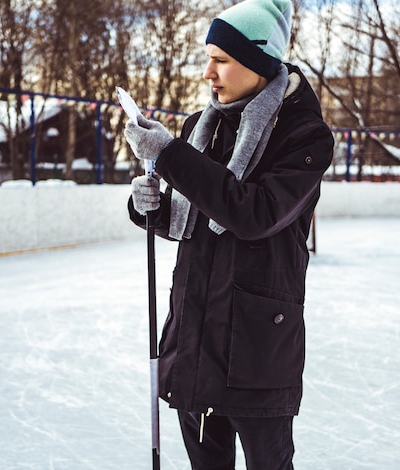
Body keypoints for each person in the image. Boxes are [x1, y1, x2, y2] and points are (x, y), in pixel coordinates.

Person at [125, 0, 334, 468]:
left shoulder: (304, 136)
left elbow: (254, 214)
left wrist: (171, 157)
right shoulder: (200, 128)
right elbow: (192, 216)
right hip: (195, 342)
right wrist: (148, 208)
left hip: (257, 353)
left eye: (220, 59)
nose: (208, 73)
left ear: (258, 61)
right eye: (209, 58)